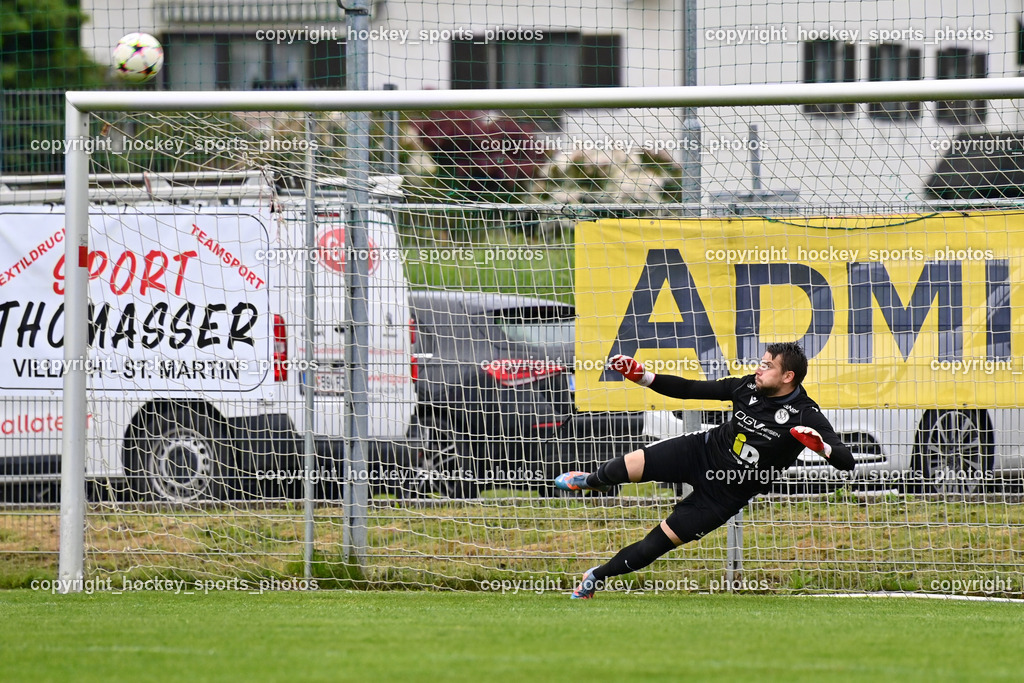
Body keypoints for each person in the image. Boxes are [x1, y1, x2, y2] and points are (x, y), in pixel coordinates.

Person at [555, 342, 855, 599]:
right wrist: (644, 377)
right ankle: (592, 481)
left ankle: (596, 576)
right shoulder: (747, 386)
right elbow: (690, 389)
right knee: (621, 467)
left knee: (653, 545)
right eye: (760, 362)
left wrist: (823, 449)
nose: (758, 369)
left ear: (788, 376)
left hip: (724, 495)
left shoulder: (805, 414)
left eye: (767, 366)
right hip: (701, 452)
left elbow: (847, 460)